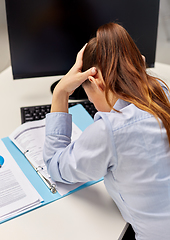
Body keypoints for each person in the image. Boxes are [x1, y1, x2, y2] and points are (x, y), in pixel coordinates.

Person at [43, 22, 170, 240]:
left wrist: (61, 92)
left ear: (93, 80)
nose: (91, 101)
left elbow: (56, 166)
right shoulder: (163, 95)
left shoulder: (111, 129)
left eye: (87, 91)